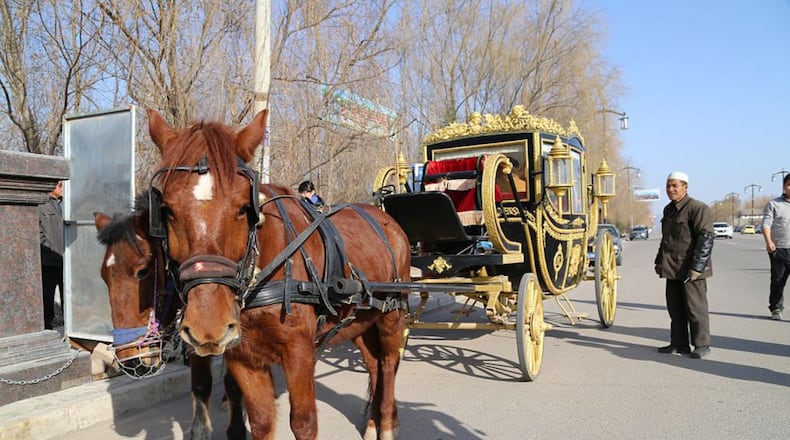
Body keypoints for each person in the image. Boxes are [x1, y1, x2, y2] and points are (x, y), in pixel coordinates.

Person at [654, 171, 715, 359]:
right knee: (675, 309)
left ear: (685, 187)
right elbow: (666, 239)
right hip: (673, 268)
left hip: (691, 269)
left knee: (695, 308)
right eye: (668, 186)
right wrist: (659, 261)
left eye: (675, 186)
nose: (671, 189)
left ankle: (702, 345)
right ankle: (679, 344)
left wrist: (698, 267)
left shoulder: (697, 208)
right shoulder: (668, 210)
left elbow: (706, 238)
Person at [761, 173, 790, 321]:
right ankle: (776, 308)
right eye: (789, 184)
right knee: (778, 281)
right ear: (784, 186)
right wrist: (768, 241)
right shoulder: (774, 204)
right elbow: (766, 224)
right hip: (779, 249)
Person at [39, 180, 65, 330]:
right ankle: (46, 329)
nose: (62, 188)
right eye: (59, 184)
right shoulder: (41, 204)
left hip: (67, 262)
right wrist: (50, 249)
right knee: (46, 299)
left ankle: (71, 330)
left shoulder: (67, 204)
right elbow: (37, 232)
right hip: (48, 261)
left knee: (68, 299)